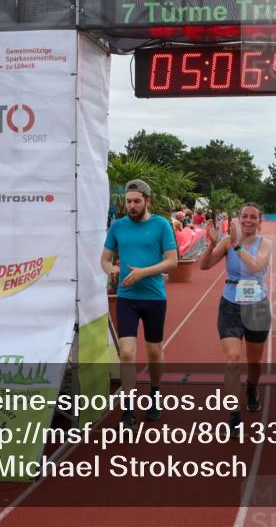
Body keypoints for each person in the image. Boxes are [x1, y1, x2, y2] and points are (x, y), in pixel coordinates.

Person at [100, 179, 178, 427]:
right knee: (127, 353)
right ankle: (129, 410)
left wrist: (144, 272)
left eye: (136, 201)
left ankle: (155, 393)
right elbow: (104, 258)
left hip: (154, 298)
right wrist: (111, 269)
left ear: (148, 201)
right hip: (127, 299)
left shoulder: (162, 225)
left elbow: (172, 261)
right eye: (128, 201)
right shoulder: (118, 226)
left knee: (154, 351)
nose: (131, 206)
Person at [199, 202, 273, 437]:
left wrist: (237, 246)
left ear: (260, 222)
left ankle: (251, 387)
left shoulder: (265, 244)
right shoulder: (226, 241)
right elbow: (204, 266)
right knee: (232, 360)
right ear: (239, 219)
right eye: (244, 216)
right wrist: (212, 243)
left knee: (254, 362)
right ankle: (234, 414)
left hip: (256, 306)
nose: (248, 220)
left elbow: (256, 267)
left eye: (253, 217)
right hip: (230, 303)